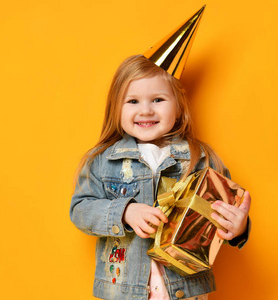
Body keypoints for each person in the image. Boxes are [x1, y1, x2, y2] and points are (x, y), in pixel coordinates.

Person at [69, 7, 251, 300]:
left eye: (157, 99)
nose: (146, 110)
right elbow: (80, 210)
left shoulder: (201, 157)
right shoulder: (102, 160)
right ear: (116, 106)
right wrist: (125, 211)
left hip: (185, 290)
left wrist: (238, 227)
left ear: (178, 105)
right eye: (133, 101)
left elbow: (223, 211)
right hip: (124, 291)